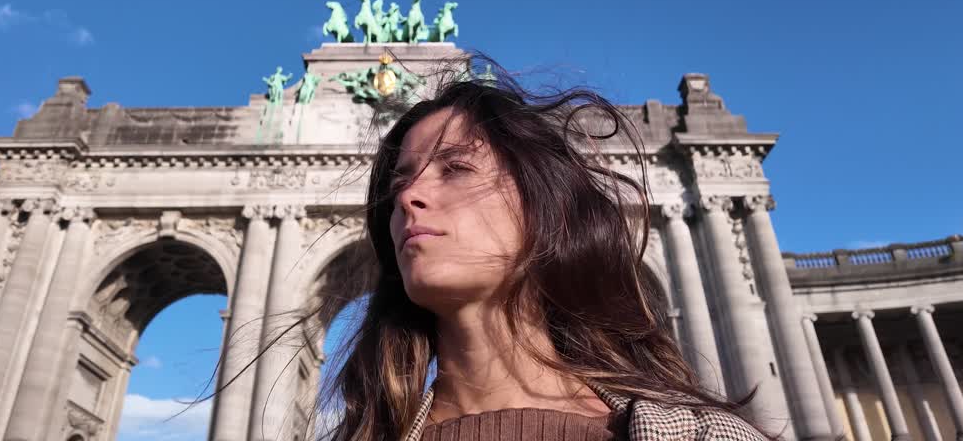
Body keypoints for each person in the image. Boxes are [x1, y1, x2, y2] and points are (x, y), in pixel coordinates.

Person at [318, 70, 770, 441]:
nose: (408, 196)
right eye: (399, 182)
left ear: (542, 204)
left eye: (456, 168)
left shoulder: (704, 434)